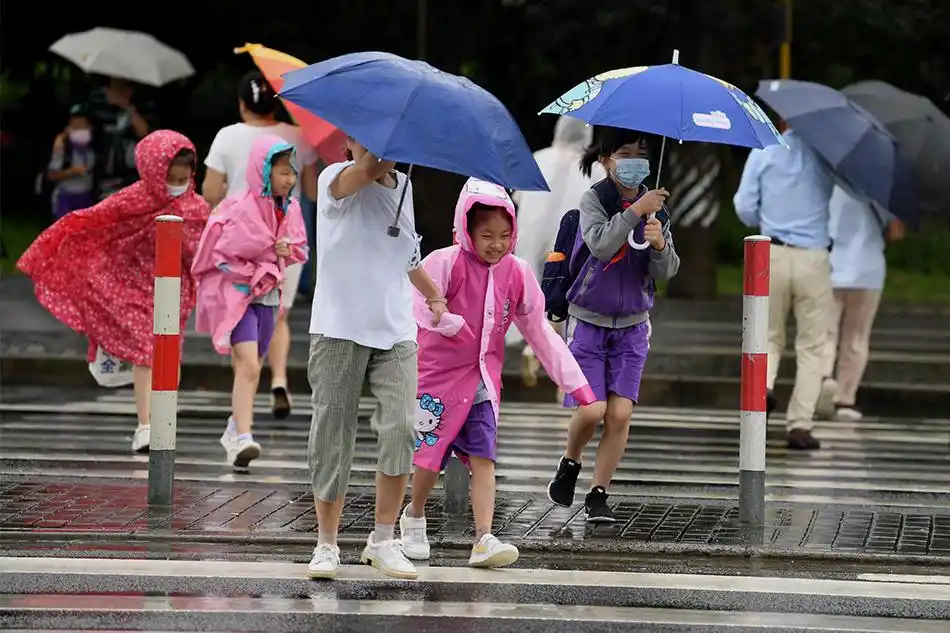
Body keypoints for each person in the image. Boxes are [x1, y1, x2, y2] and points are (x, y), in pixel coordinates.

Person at [399, 178, 595, 567]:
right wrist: (445, 321)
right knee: (428, 456)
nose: (497, 244)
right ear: (466, 230)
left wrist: (576, 383)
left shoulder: (517, 272)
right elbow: (417, 306)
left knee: (484, 457)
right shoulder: (445, 262)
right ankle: (414, 516)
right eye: (486, 235)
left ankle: (484, 537)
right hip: (437, 378)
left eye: (505, 235)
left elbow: (538, 330)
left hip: (484, 380)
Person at [306, 136, 445, 581]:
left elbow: (407, 256)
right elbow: (366, 171)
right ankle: (327, 542)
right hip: (338, 328)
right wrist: (392, 145)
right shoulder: (336, 179)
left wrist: (435, 295)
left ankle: (383, 540)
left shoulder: (403, 187)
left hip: (395, 331)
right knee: (333, 432)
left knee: (404, 425)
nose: (377, 145)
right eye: (364, 134)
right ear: (349, 141)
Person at [18, 130, 209, 452]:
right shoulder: (132, 198)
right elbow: (93, 222)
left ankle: (163, 417)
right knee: (148, 352)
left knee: (168, 355)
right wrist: (52, 247)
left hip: (174, 291)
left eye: (183, 175)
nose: (177, 182)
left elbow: (203, 251)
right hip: (131, 284)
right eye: (170, 176)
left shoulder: (197, 207)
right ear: (153, 170)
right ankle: (146, 424)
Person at [546, 126, 680, 522]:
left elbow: (668, 270)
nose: (636, 161)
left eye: (642, 153)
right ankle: (570, 463)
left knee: (620, 415)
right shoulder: (595, 201)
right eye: (626, 153)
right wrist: (635, 213)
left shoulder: (657, 210)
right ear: (606, 161)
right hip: (589, 322)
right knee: (591, 410)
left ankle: (598, 494)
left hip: (634, 326)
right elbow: (601, 245)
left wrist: (660, 243)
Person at [202, 70, 319, 421]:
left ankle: (244, 388)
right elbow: (313, 192)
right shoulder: (297, 137)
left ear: (241, 104)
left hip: (237, 245)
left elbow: (210, 193)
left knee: (240, 312)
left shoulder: (226, 136)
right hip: (285, 239)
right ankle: (279, 379)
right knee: (277, 310)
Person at [192, 135, 308, 471]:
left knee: (251, 366)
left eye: (292, 172)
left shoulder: (291, 208)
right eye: (283, 171)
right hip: (239, 296)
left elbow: (300, 246)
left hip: (270, 295)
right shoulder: (238, 206)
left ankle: (234, 430)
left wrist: (286, 249)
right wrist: (265, 254)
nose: (290, 178)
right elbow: (223, 250)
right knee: (250, 366)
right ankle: (243, 435)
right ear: (265, 171)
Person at [733, 122, 835, 450]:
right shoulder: (827, 154)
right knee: (812, 345)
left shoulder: (764, 150)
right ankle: (800, 425)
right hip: (814, 257)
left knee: (767, 335)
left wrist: (767, 217)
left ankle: (761, 390)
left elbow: (745, 207)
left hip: (770, 253)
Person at [509, 116, 606, 388]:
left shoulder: (537, 160)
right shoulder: (593, 168)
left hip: (532, 240)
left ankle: (534, 349)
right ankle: (564, 374)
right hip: (571, 243)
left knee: (536, 298)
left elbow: (519, 198)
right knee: (567, 304)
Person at [821, 186, 903, 421]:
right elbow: (896, 233)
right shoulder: (882, 185)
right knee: (857, 336)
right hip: (868, 269)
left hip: (829, 265)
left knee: (825, 333)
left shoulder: (826, 180)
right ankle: (845, 400)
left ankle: (824, 380)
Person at [85, 77, 156, 198]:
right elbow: (80, 125)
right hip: (102, 169)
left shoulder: (142, 104)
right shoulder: (97, 101)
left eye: (126, 87)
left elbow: (144, 132)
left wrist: (126, 106)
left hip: (130, 172)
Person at [46, 104, 97, 219]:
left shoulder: (92, 149)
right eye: (75, 124)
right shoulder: (63, 147)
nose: (79, 127)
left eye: (82, 124)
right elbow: (51, 175)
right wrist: (72, 172)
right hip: (66, 197)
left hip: (85, 198)